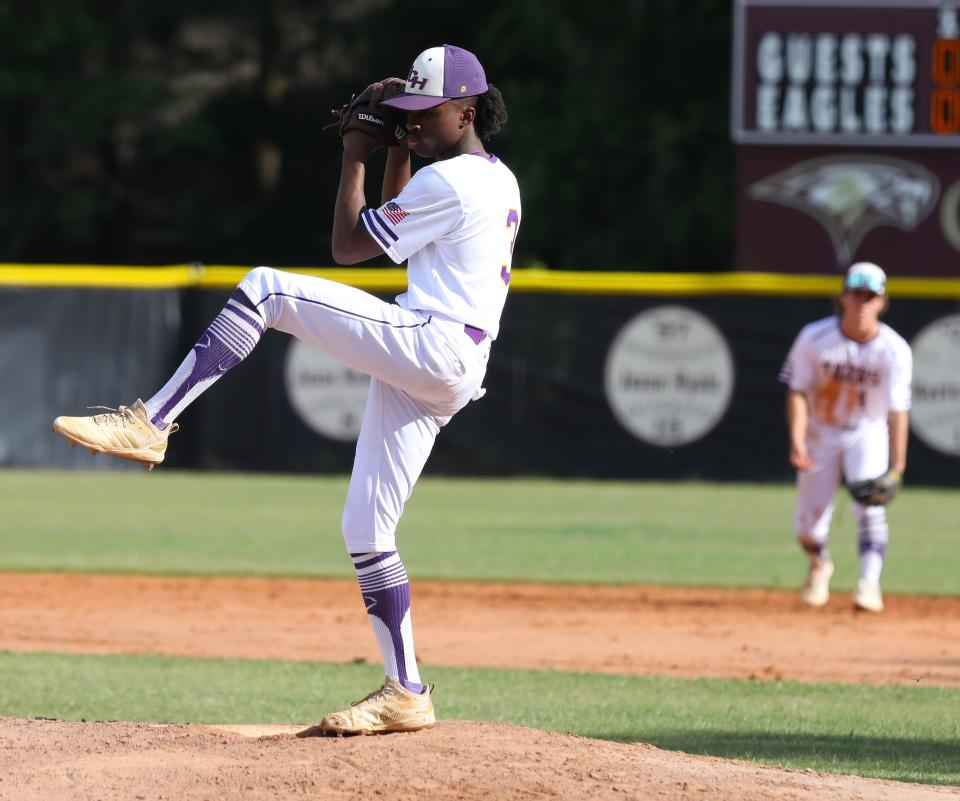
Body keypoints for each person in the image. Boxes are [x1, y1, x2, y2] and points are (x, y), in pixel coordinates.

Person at [52, 44, 521, 734]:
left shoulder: (451, 184)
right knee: (366, 528)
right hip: (448, 364)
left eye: (426, 113)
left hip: (437, 339)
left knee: (265, 287)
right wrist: (394, 141)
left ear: (467, 111)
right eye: (408, 114)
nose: (415, 123)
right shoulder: (492, 179)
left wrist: (357, 151)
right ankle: (407, 690)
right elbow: (394, 228)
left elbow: (349, 245)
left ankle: (150, 420)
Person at [779, 262, 912, 613]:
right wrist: (797, 440)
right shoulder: (814, 338)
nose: (862, 302)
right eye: (857, 293)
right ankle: (820, 564)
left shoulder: (894, 350)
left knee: (870, 506)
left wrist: (898, 466)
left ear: (882, 302)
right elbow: (797, 391)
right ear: (843, 296)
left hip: (866, 432)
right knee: (808, 526)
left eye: (871, 296)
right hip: (819, 433)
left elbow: (898, 410)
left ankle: (869, 584)